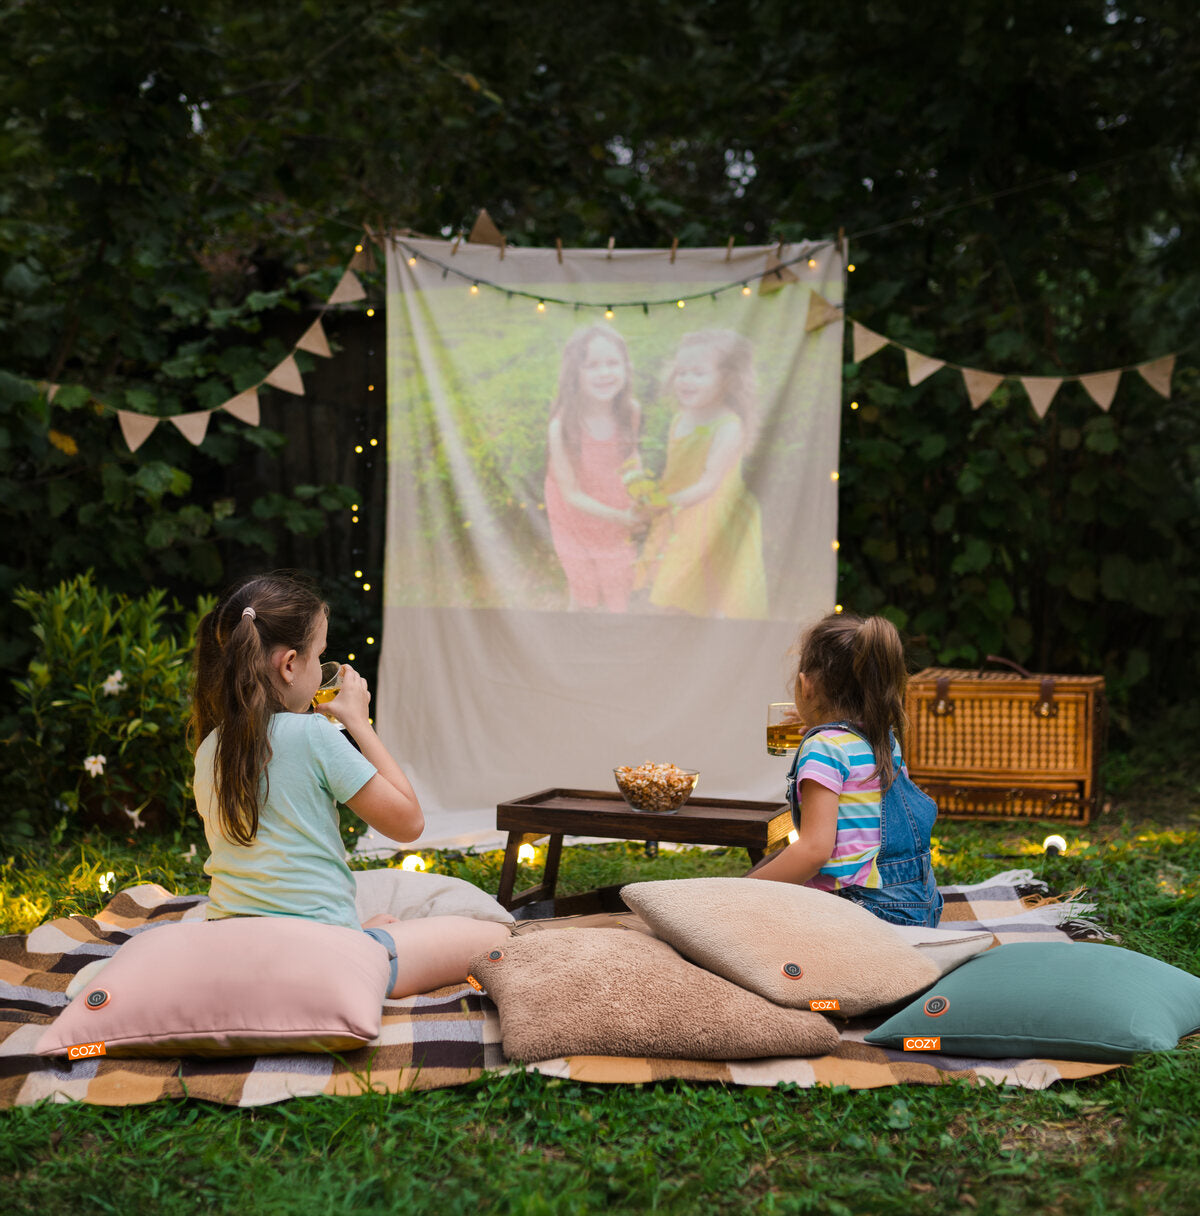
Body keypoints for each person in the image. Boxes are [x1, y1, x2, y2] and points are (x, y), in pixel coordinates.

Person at [189, 572, 509, 999]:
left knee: (382, 925)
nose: (323, 668)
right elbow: (408, 824)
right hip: (322, 959)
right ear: (289, 665)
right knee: (493, 939)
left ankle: (360, 935)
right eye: (319, 656)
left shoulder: (211, 746)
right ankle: (364, 948)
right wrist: (359, 722)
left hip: (232, 945)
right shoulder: (315, 736)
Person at [747, 612, 943, 927]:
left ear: (805, 686)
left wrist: (738, 895)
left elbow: (814, 851)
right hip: (919, 908)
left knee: (757, 925)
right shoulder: (881, 736)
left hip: (867, 917)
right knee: (773, 863)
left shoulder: (825, 748)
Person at [635, 329, 767, 618]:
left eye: (698, 373)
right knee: (676, 580)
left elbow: (709, 483)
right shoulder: (680, 417)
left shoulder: (728, 426)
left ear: (727, 379)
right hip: (682, 508)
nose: (686, 380)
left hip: (716, 515)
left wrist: (666, 503)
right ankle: (681, 630)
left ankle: (715, 632)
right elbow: (677, 471)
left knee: (716, 583)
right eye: (682, 372)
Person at [543, 324, 644, 611]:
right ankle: (575, 632)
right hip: (573, 514)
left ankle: (616, 634)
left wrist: (640, 492)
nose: (604, 373)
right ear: (575, 374)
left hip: (615, 502)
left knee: (618, 578)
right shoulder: (561, 426)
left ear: (626, 367)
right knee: (583, 584)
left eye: (612, 363)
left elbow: (632, 456)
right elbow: (571, 494)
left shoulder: (630, 411)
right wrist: (620, 517)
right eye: (592, 366)